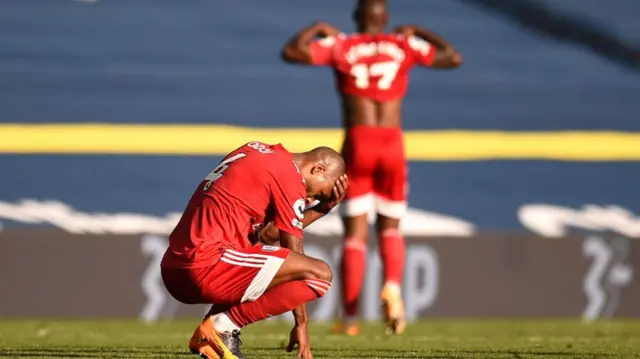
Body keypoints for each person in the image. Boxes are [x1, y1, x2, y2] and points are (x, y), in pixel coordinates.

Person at [281, 0, 462, 335]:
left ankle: (349, 320)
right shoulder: (402, 45)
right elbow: (452, 57)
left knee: (355, 233)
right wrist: (418, 31)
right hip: (392, 142)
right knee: (391, 225)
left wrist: (318, 28)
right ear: (386, 18)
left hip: (358, 141)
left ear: (356, 17)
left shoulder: (343, 45)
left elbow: (292, 52)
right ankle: (392, 285)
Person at [161, 141, 348, 359]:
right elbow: (294, 251)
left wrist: (321, 210)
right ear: (318, 169)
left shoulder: (254, 150)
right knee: (320, 275)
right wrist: (302, 324)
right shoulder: (288, 175)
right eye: (321, 194)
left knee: (257, 251)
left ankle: (209, 337)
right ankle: (223, 326)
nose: (312, 200)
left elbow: (268, 235)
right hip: (204, 264)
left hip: (175, 268)